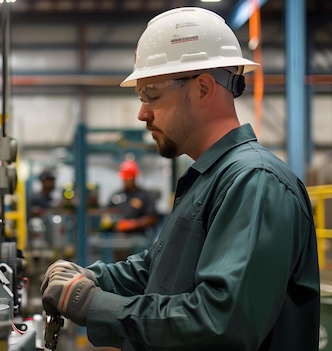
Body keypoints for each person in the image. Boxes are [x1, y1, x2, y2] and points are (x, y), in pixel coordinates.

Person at [40, 7, 320, 350]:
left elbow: (222, 324)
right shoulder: (209, 177)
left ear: (202, 88)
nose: (142, 113)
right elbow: (157, 271)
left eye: (152, 95)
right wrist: (92, 277)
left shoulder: (255, 182)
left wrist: (94, 304)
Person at [105, 160, 160, 236]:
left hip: (138, 238)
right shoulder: (116, 195)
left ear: (134, 178)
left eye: (128, 178)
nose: (125, 181)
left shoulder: (144, 196)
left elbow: (152, 218)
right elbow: (107, 213)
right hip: (116, 238)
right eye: (124, 178)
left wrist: (132, 224)